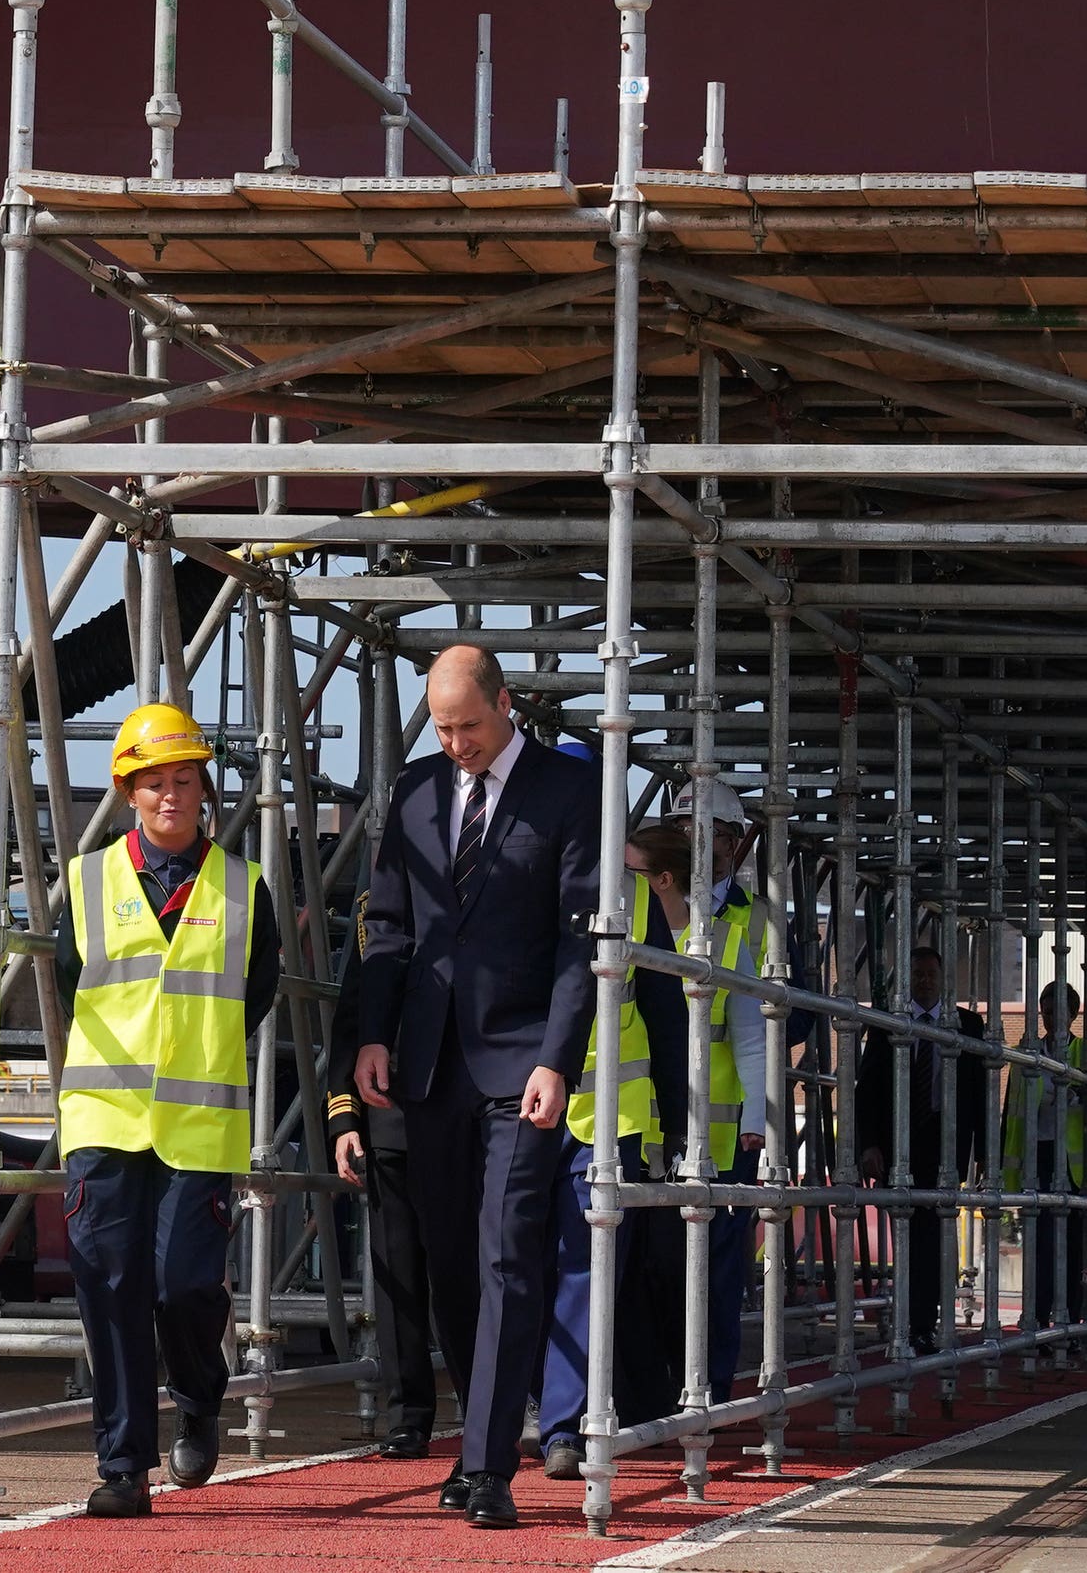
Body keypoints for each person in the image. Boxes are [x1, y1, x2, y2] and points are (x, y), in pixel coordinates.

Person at [353, 645, 602, 1531]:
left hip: (521, 1065)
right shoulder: (416, 794)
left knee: (508, 1252)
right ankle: (475, 1436)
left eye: (469, 725)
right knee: (450, 1259)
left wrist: (558, 1059)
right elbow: (386, 926)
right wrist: (373, 1035)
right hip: (426, 1065)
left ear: (506, 704)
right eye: (443, 727)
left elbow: (582, 947)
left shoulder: (568, 796)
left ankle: (490, 1465)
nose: (456, 742)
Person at [56, 701, 283, 1518]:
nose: (169, 796)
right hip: (103, 1122)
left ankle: (198, 1396)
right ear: (127, 793)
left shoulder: (244, 888)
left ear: (204, 790)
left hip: (198, 1124)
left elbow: (252, 995)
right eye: (153, 783)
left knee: (186, 1288)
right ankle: (122, 1466)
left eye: (183, 780)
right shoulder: (86, 885)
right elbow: (65, 984)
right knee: (109, 1284)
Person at [536, 826, 688, 1481]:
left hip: (608, 1115)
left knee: (587, 1270)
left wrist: (677, 1120)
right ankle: (523, 1402)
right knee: (513, 1263)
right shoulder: (504, 876)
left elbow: (662, 1006)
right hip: (519, 1103)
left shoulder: (632, 896)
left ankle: (562, 1424)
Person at [667, 782, 769, 1403]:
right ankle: (660, 1379)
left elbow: (795, 1014)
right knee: (659, 1253)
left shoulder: (756, 919)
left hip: (731, 1121)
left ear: (735, 845)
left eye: (712, 837)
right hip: (660, 1110)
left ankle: (711, 1383)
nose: (698, 848)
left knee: (721, 1261)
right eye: (686, 835)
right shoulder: (653, 906)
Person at [328, 922, 441, 1459]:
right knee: (397, 1272)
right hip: (389, 1112)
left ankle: (495, 1403)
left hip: (467, 1108)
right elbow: (352, 1017)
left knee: (474, 1267)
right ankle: (409, 1416)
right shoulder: (380, 918)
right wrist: (343, 1118)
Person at [856, 942, 989, 1353]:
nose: (925, 981)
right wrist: (867, 1144)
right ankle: (909, 1318)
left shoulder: (968, 1026)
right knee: (905, 1231)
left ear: (944, 979)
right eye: (917, 974)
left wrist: (984, 1153)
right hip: (898, 1141)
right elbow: (868, 1088)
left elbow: (979, 1092)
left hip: (944, 1144)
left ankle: (922, 1324)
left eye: (931, 974)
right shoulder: (887, 1024)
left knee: (933, 1234)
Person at [998, 982, 1087, 1341]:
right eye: (1047, 1012)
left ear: (1075, 1014)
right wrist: (997, 1160)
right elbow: (1011, 1110)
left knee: (1075, 1244)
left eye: (1059, 1012)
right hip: (1040, 1156)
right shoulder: (1025, 1054)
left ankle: (1075, 1316)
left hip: (1078, 1166)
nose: (1052, 1019)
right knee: (1040, 1240)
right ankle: (1039, 1315)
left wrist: (1084, 1087)